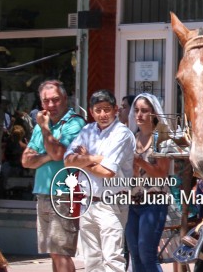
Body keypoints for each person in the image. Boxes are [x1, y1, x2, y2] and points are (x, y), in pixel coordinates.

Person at [65, 89, 135, 272]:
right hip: (88, 201)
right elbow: (67, 161)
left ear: (115, 109)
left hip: (112, 202)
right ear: (91, 112)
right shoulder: (87, 130)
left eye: (107, 109)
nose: (103, 114)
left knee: (112, 259)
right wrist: (94, 158)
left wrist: (83, 161)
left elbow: (107, 172)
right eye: (98, 110)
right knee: (91, 260)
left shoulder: (122, 133)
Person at [20, 80, 86, 272]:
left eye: (55, 100)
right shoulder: (42, 125)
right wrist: (50, 153)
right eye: (46, 101)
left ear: (65, 99)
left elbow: (58, 153)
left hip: (64, 194)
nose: (51, 105)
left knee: (62, 252)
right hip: (42, 193)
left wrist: (46, 133)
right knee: (53, 252)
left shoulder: (74, 122)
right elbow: (26, 160)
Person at [125, 94, 170, 272]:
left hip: (154, 202)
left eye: (144, 110)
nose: (139, 115)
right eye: (136, 110)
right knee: (135, 254)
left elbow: (162, 173)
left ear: (154, 113)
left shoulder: (162, 139)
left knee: (147, 254)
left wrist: (140, 162)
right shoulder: (131, 139)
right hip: (133, 201)